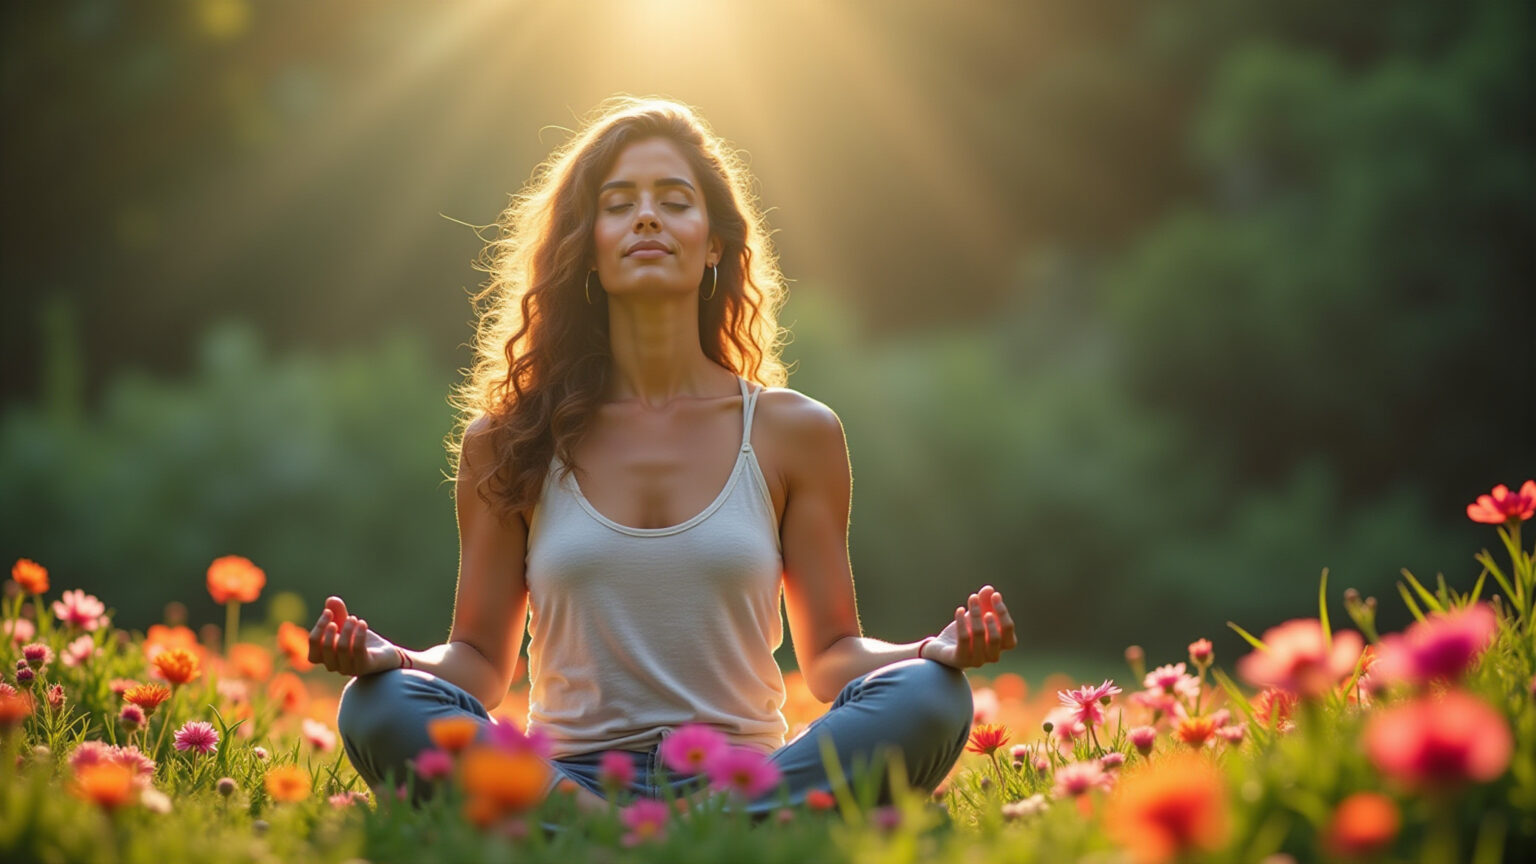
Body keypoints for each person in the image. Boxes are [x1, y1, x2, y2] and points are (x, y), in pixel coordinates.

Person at [311, 97, 1018, 816]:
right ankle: (662, 839)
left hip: (739, 782)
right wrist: (391, 660)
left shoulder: (794, 432)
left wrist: (935, 648)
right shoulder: (509, 438)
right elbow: (479, 663)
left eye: (674, 201)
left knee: (929, 695)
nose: (646, 218)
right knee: (379, 706)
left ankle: (655, 838)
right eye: (618, 205)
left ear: (713, 243)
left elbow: (833, 654)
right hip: (570, 785)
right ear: (587, 245)